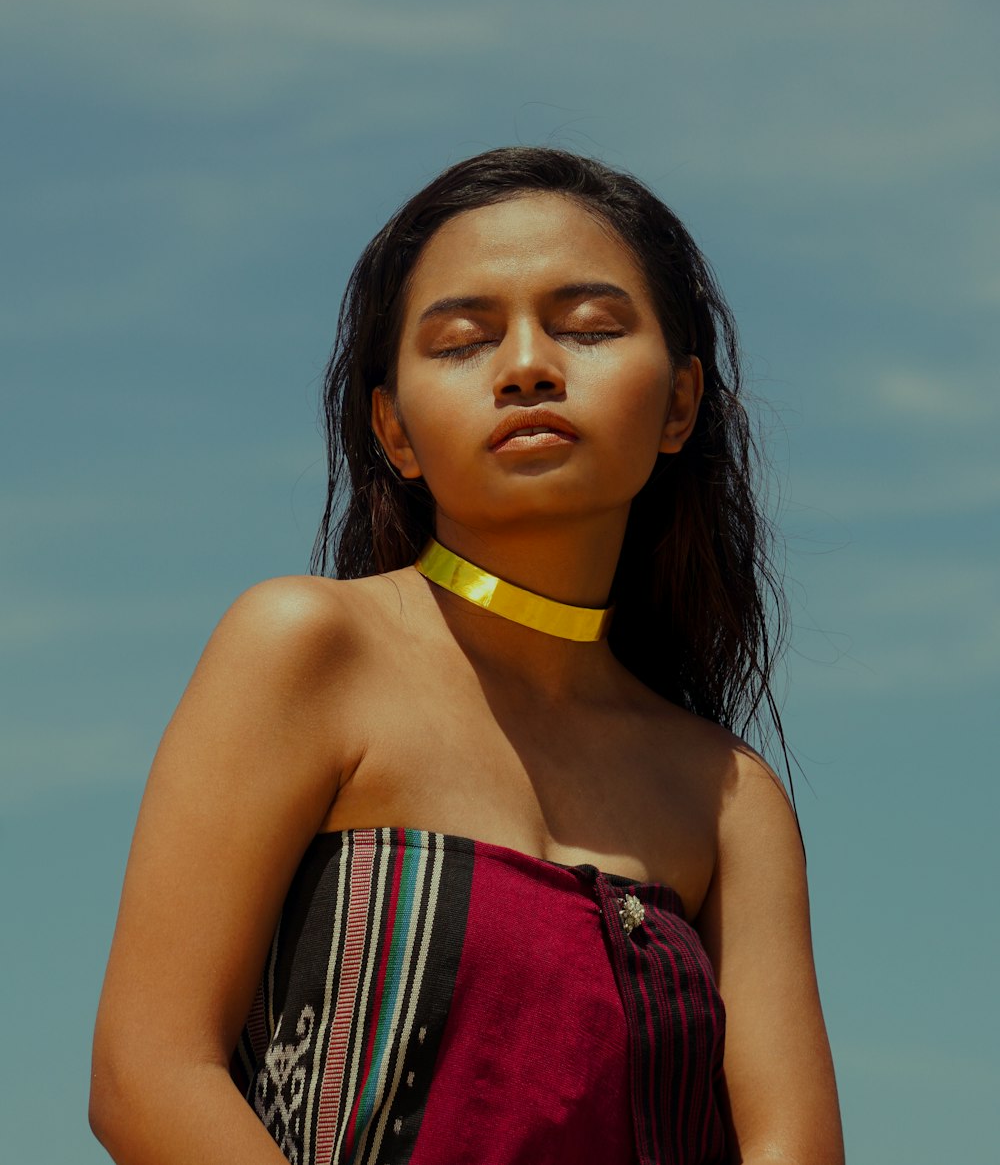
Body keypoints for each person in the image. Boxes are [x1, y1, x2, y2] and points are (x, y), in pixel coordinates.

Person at [89, 146, 844, 1165]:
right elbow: (148, 1075)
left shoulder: (728, 794)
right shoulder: (305, 647)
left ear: (678, 403)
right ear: (393, 431)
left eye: (589, 327)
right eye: (461, 339)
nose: (528, 364)